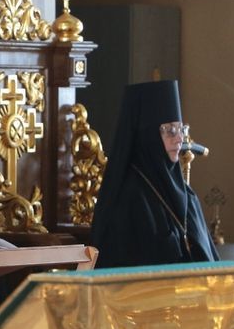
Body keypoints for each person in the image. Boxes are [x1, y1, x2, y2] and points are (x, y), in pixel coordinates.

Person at [90, 80, 218, 268]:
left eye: (180, 129)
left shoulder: (188, 196)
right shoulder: (127, 199)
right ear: (148, 135)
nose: (179, 139)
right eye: (170, 131)